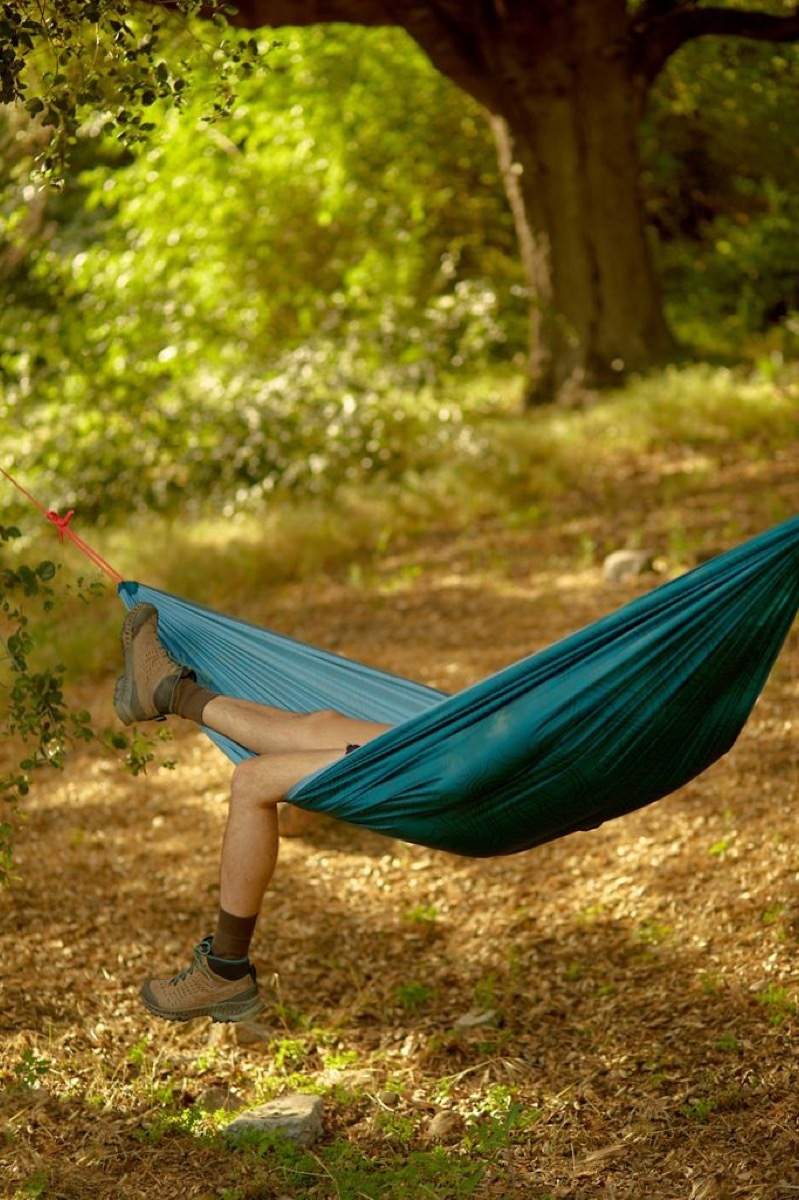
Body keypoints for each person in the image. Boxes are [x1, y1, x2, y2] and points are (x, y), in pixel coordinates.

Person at [114, 602, 392, 1023]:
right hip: (455, 741)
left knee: (254, 780)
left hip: (453, 768)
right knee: (316, 726)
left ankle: (226, 968)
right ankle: (168, 692)